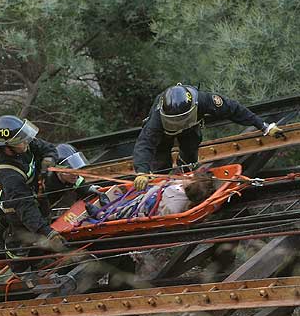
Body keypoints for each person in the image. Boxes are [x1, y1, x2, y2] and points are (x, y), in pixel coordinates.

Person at [133, 84, 284, 190]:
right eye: (175, 121)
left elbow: (235, 110)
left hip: (190, 128)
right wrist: (142, 172)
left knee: (190, 155)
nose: (179, 123)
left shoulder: (204, 100)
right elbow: (144, 143)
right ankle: (161, 187)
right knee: (160, 162)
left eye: (181, 119)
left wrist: (264, 127)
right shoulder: (156, 119)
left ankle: (187, 182)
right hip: (164, 133)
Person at [0, 115, 62, 275]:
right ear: (7, 147)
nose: (26, 142)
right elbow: (24, 206)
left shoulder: (24, 144)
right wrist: (46, 231)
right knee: (22, 242)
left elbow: (48, 148)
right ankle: (22, 273)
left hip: (38, 198)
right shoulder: (6, 171)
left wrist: (49, 159)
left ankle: (40, 262)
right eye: (21, 141)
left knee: (43, 226)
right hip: (17, 210)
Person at [88, 172, 217, 221]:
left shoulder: (175, 206)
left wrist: (143, 219)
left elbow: (162, 218)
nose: (188, 176)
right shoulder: (181, 184)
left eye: (190, 178)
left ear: (189, 188)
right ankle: (111, 208)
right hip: (147, 197)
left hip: (143, 209)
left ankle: (103, 217)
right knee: (127, 204)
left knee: (124, 213)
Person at [44, 143, 102, 208]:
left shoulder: (74, 178)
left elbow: (80, 184)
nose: (75, 174)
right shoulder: (46, 184)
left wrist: (90, 188)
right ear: (58, 171)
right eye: (70, 171)